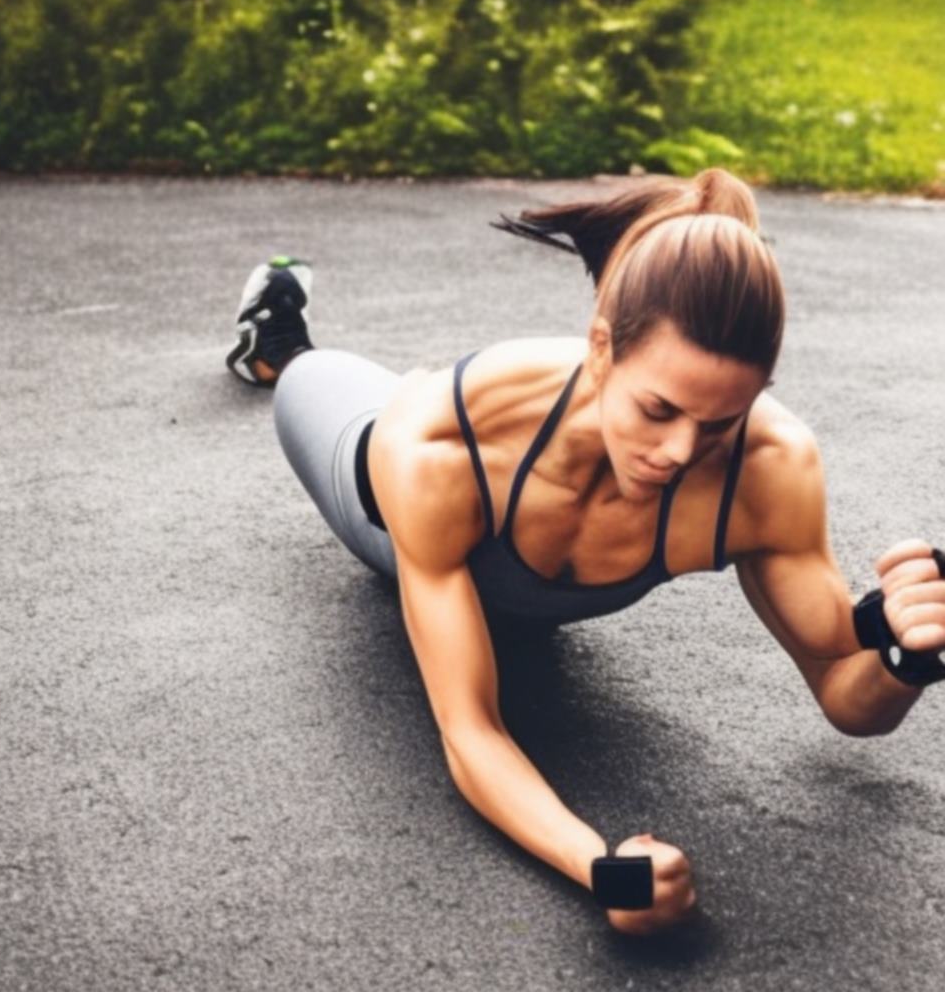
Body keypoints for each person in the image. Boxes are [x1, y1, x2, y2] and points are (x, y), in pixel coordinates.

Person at [225, 167, 945, 937]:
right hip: (388, 486)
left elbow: (843, 685)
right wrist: (599, 867)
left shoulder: (769, 470)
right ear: (601, 349)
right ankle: (277, 329)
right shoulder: (437, 447)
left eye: (719, 421)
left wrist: (909, 650)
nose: (679, 450)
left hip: (510, 454)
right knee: (307, 375)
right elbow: (472, 730)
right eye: (659, 408)